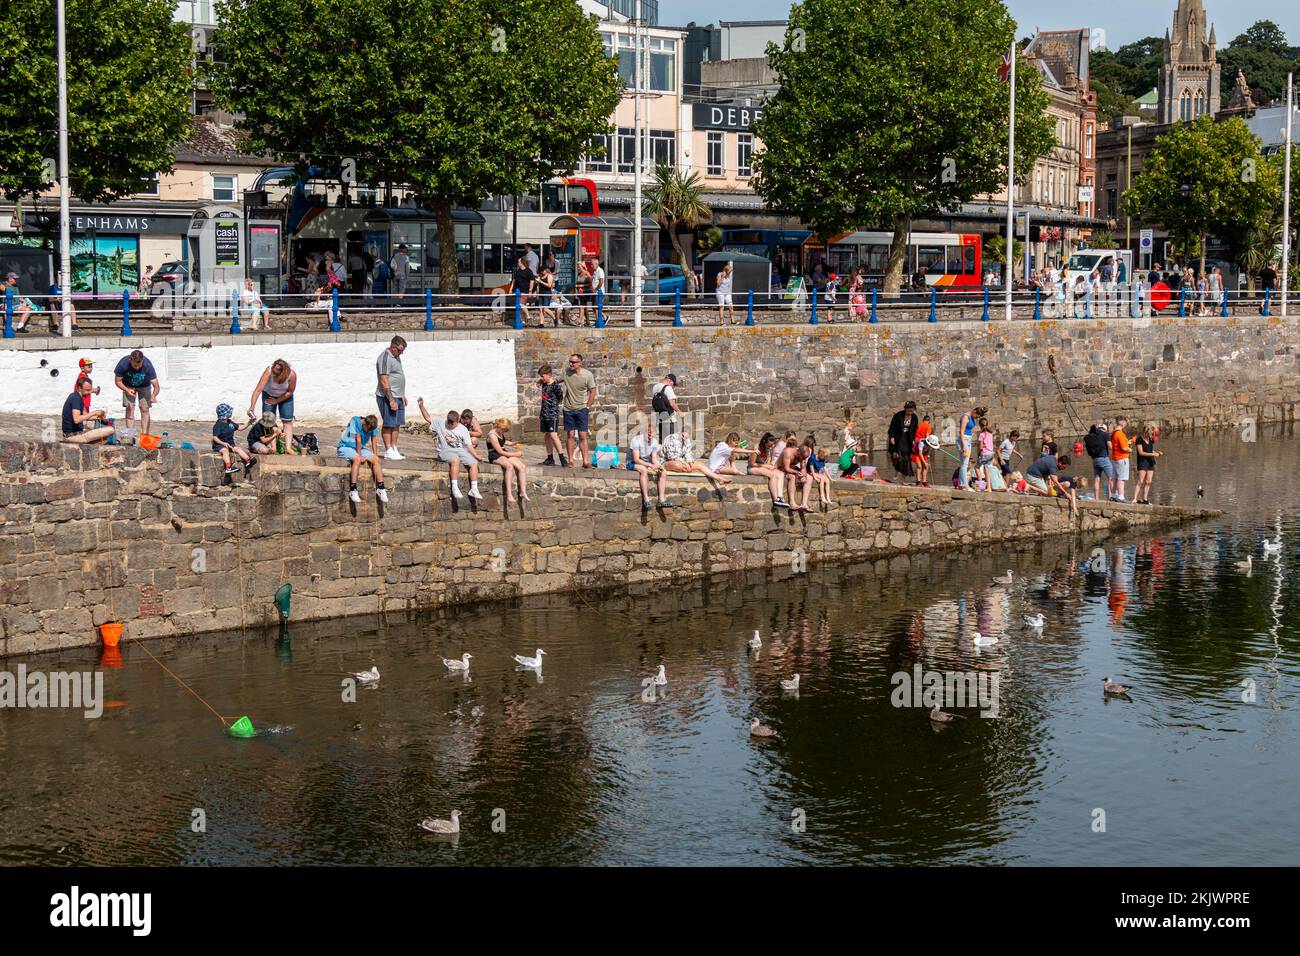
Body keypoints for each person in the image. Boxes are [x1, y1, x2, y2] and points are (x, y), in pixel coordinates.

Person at [418, 402, 482, 500]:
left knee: (474, 463)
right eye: (449, 422)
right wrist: (421, 406)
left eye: (452, 423)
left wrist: (476, 455)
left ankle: (473, 489)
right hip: (445, 451)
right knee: (455, 460)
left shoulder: (463, 429)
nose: (450, 425)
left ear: (458, 421)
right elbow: (428, 418)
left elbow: (469, 446)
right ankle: (454, 488)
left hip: (460, 450)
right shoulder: (440, 423)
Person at [336, 412, 387, 503]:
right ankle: (353, 490)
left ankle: (381, 488)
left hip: (360, 448)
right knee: (357, 459)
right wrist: (359, 455)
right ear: (364, 423)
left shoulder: (372, 425)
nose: (367, 432)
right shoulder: (354, 421)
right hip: (346, 447)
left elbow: (374, 440)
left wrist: (374, 454)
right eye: (367, 429)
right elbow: (357, 440)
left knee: (376, 460)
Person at [247, 358, 297, 451]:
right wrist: (252, 406)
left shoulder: (291, 375)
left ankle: (288, 448)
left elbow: (290, 391)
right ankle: (272, 447)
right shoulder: (269, 371)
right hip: (269, 395)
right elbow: (258, 389)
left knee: (287, 421)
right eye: (273, 372)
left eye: (276, 373)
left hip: (285, 396)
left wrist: (277, 400)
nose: (274, 374)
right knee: (268, 420)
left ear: (284, 372)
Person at [661, 426, 734, 489]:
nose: (684, 439)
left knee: (700, 464)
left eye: (686, 437)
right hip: (668, 462)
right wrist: (685, 464)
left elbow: (688, 453)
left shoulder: (687, 440)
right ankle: (684, 468)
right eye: (683, 436)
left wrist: (689, 462)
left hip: (682, 462)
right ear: (681, 432)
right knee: (678, 465)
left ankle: (718, 478)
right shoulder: (672, 439)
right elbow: (672, 457)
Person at [113, 349, 160, 438]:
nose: (137, 368)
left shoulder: (147, 365)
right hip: (128, 386)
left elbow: (156, 386)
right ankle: (131, 436)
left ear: (142, 361)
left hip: (144, 386)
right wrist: (127, 390)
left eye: (139, 366)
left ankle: (145, 435)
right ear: (130, 360)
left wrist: (153, 395)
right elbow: (117, 381)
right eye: (135, 366)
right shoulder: (123, 364)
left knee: (145, 409)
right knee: (130, 409)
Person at [375, 335, 408, 460]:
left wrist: (402, 395)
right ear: (393, 346)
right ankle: (388, 450)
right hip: (387, 397)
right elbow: (384, 381)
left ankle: (394, 448)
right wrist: (391, 400)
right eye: (399, 350)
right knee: (389, 424)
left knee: (397, 423)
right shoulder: (385, 358)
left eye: (402, 350)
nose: (401, 353)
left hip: (398, 395)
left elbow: (397, 377)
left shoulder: (396, 357)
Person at [562, 353, 596, 468]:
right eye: (570, 361)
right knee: (570, 435)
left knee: (582, 436)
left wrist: (588, 407)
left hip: (582, 409)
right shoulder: (566, 373)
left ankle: (585, 461)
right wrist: (541, 381)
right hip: (568, 409)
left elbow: (593, 391)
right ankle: (570, 460)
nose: (571, 364)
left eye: (574, 362)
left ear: (580, 363)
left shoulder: (587, 375)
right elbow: (556, 380)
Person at [628, 417, 670, 509]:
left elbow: (654, 458)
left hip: (647, 461)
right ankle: (646, 499)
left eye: (652, 436)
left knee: (663, 471)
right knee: (643, 470)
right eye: (648, 435)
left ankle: (661, 500)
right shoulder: (636, 440)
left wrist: (658, 465)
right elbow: (636, 459)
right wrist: (650, 465)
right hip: (632, 462)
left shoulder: (654, 442)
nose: (650, 438)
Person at [485, 418, 529, 503]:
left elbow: (502, 441)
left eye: (505, 430)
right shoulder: (492, 435)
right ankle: (509, 494)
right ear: (499, 426)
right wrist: (516, 454)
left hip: (503, 453)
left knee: (522, 466)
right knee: (509, 466)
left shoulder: (500, 432)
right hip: (494, 455)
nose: (503, 432)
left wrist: (512, 444)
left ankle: (523, 491)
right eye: (503, 430)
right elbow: (500, 451)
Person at [61, 378, 114, 444]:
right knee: (110, 430)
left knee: (104, 439)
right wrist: (94, 412)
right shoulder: (75, 398)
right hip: (72, 436)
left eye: (90, 390)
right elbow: (77, 419)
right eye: (87, 390)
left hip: (78, 433)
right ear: (80, 388)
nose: (89, 392)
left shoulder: (77, 397)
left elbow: (85, 416)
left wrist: (99, 417)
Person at [212, 403, 255, 476]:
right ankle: (228, 467)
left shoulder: (230, 422)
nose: (231, 413)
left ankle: (248, 460)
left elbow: (240, 428)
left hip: (230, 444)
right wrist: (223, 443)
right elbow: (215, 437)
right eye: (229, 412)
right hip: (219, 445)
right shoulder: (218, 425)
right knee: (225, 451)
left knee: (238, 448)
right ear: (225, 415)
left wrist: (249, 422)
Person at [537, 363, 566, 466]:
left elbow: (560, 397)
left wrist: (553, 406)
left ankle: (562, 457)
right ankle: (550, 458)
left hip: (552, 414)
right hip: (544, 414)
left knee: (553, 435)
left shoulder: (555, 386)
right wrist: (540, 381)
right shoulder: (544, 383)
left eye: (542, 376)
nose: (541, 378)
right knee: (546, 436)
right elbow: (541, 381)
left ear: (548, 374)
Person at [749, 432, 787, 507]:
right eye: (769, 445)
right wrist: (766, 466)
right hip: (753, 468)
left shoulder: (769, 449)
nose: (771, 447)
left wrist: (771, 466)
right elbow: (752, 463)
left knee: (780, 474)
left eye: (773, 445)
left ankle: (780, 497)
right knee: (772, 475)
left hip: (763, 467)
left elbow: (769, 462)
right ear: (764, 442)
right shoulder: (757, 448)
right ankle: (775, 499)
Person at [887, 400, 919, 481]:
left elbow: (915, 429)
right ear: (905, 408)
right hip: (898, 439)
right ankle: (896, 470)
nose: (910, 412)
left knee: (906, 460)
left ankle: (903, 480)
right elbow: (892, 427)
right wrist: (892, 437)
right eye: (908, 411)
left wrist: (914, 439)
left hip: (908, 440)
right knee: (897, 457)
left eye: (912, 411)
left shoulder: (915, 417)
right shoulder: (898, 415)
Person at [958, 405, 987, 490]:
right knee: (964, 464)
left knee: (965, 463)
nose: (977, 418)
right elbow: (961, 431)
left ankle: (961, 484)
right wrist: (963, 445)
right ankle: (964, 485)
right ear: (974, 411)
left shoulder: (971, 417)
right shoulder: (965, 417)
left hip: (968, 440)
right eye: (977, 416)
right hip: (964, 441)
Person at [1084, 423, 1114, 502]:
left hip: (1095, 460)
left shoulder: (1093, 435)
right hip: (1104, 458)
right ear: (1105, 429)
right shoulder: (1105, 434)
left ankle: (1096, 498)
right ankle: (1111, 497)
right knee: (1110, 478)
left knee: (1097, 479)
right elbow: (1110, 447)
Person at [1133, 422, 1161, 504]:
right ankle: (1134, 499)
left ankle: (1145, 499)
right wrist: (1153, 454)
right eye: (1151, 433)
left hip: (1150, 461)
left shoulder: (1151, 440)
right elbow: (1141, 452)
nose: (1152, 435)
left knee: (1149, 481)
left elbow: (1149, 450)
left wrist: (1156, 452)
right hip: (1142, 462)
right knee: (1140, 481)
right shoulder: (1139, 439)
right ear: (1146, 432)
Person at [651, 373, 681, 443]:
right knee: (674, 440)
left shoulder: (655, 387)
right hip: (670, 419)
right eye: (673, 384)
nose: (673, 386)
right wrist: (679, 411)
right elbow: (672, 403)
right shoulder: (668, 388)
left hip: (660, 418)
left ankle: (663, 453)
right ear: (670, 380)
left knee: (663, 440)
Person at [1110, 416, 1132, 502]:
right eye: (1126, 422)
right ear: (1122, 423)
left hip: (1115, 458)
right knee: (1121, 478)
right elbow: (1124, 448)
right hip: (1122, 459)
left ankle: (1113, 495)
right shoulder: (1120, 434)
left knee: (1115, 478)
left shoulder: (1113, 433)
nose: (1126, 424)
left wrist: (1127, 442)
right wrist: (1130, 449)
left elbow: (1117, 444)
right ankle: (1121, 497)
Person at [510, 256, 536, 325]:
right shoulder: (518, 271)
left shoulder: (528, 271)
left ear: (522, 262)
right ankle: (523, 322)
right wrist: (511, 289)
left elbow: (532, 281)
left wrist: (530, 290)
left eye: (518, 262)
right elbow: (514, 281)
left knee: (520, 304)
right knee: (521, 307)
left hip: (525, 291)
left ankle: (528, 316)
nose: (518, 263)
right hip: (518, 291)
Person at [913, 414, 933, 486]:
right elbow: (927, 435)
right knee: (923, 466)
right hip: (921, 445)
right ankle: (923, 482)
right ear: (929, 421)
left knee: (920, 466)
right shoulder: (928, 426)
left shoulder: (919, 425)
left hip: (916, 446)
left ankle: (920, 482)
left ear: (923, 420)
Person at [975, 418, 995, 487]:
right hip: (991, 454)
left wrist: (978, 454)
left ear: (980, 426)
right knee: (986, 470)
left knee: (977, 468)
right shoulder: (990, 433)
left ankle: (981, 486)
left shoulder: (981, 434)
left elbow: (980, 447)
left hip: (984, 454)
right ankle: (988, 487)